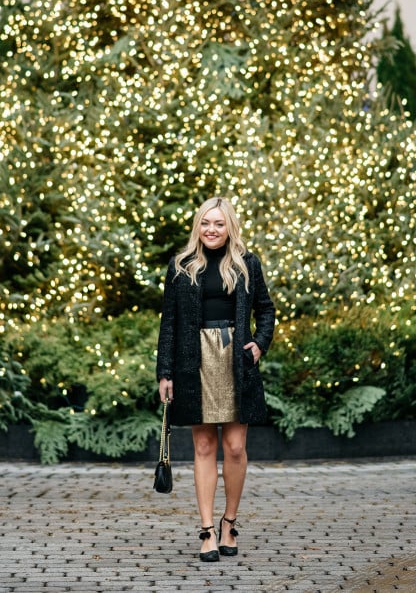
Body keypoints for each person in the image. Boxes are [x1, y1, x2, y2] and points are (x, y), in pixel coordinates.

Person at [156, 196, 276, 562]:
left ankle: (229, 523)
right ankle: (207, 530)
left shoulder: (247, 263)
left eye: (219, 223)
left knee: (235, 447)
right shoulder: (181, 266)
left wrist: (260, 344)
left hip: (235, 360)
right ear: (198, 226)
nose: (211, 229)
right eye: (206, 223)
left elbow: (266, 309)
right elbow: (169, 322)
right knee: (205, 446)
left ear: (229, 227)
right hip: (194, 361)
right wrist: (165, 372)